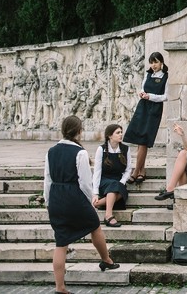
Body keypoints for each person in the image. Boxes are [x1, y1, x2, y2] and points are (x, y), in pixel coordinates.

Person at [44, 115, 119, 294]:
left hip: (56, 197)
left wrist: (48, 202)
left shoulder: (51, 151)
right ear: (79, 131)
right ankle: (106, 260)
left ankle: (60, 287)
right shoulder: (80, 153)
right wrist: (90, 202)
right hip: (74, 197)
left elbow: (47, 180)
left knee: (61, 242)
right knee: (95, 226)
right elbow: (85, 183)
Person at [123, 52, 168, 184]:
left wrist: (150, 96)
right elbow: (143, 88)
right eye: (152, 62)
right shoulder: (148, 75)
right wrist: (142, 94)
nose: (153, 65)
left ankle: (135, 171)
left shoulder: (166, 77)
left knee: (144, 140)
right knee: (139, 139)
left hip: (154, 109)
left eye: (156, 62)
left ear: (161, 63)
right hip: (142, 107)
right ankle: (142, 171)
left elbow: (166, 96)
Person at [92, 124, 133, 228]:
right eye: (118, 133)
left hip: (119, 181)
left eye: (121, 132)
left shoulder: (126, 149)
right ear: (110, 136)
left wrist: (122, 182)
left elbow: (128, 170)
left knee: (117, 188)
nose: (121, 134)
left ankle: (98, 203)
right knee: (115, 186)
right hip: (104, 181)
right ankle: (108, 215)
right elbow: (97, 171)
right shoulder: (101, 149)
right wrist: (95, 192)